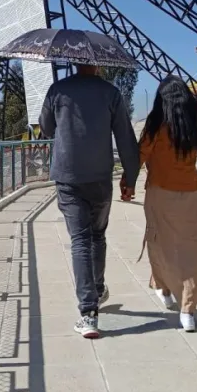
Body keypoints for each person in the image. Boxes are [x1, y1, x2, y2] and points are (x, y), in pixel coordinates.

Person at [39, 63, 140, 339]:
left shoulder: (57, 90)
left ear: (74, 62)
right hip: (100, 177)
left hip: (68, 176)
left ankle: (88, 313)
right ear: (97, 63)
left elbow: (46, 128)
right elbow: (126, 138)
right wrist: (130, 178)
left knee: (80, 240)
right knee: (97, 235)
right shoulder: (111, 93)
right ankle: (96, 289)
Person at [122, 76, 197, 332]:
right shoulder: (193, 124)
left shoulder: (155, 126)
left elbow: (139, 156)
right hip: (191, 193)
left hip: (160, 193)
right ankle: (188, 311)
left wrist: (127, 184)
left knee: (160, 243)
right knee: (193, 248)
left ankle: (164, 288)